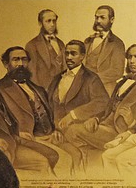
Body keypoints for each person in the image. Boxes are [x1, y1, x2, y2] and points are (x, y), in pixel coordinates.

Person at [62, 44, 136, 170]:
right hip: (105, 125)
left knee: (73, 130)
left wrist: (131, 122)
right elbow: (108, 108)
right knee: (72, 131)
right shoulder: (122, 82)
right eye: (129, 57)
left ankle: (89, 160)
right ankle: (90, 161)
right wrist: (96, 119)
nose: (132, 61)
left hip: (121, 132)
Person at [0, 46, 61, 170]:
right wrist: (16, 132)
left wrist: (55, 130)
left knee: (75, 157)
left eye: (24, 60)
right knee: (59, 160)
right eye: (16, 60)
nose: (20, 64)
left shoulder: (39, 89)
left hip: (49, 137)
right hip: (24, 141)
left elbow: (50, 115)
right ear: (6, 63)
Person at [47, 40, 109, 170]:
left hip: (79, 133)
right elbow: (49, 106)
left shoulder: (91, 78)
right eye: (67, 53)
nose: (69, 57)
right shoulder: (57, 78)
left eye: (73, 54)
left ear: (82, 56)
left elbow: (102, 102)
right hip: (57, 133)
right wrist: (54, 129)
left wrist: (73, 115)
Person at [83, 5, 126, 95]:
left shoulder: (117, 43)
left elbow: (117, 71)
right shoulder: (87, 41)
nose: (98, 21)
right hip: (84, 91)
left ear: (112, 20)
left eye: (102, 18)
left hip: (104, 91)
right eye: (96, 17)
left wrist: (93, 80)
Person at [26, 8, 66, 92]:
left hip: (60, 89)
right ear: (40, 23)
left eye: (54, 21)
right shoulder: (32, 45)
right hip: (44, 90)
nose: (52, 24)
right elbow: (32, 73)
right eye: (48, 21)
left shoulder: (61, 43)